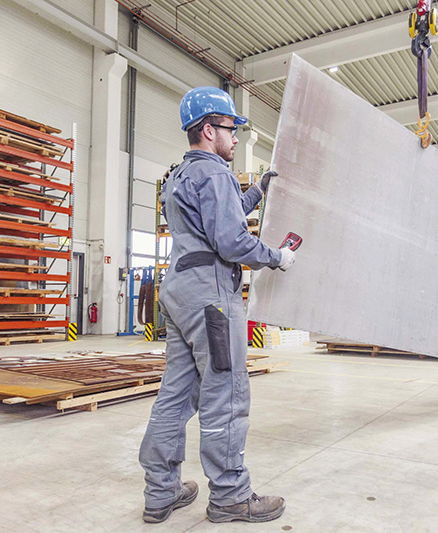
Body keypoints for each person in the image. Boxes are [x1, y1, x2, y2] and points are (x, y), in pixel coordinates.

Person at [139, 86, 295, 524]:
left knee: (175, 394)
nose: (236, 139)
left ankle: (160, 491)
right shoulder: (215, 173)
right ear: (209, 130)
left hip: (178, 290)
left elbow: (216, 218)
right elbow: (230, 240)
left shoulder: (179, 178)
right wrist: (277, 257)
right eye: (232, 130)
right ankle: (229, 495)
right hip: (212, 297)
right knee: (225, 394)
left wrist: (258, 192)